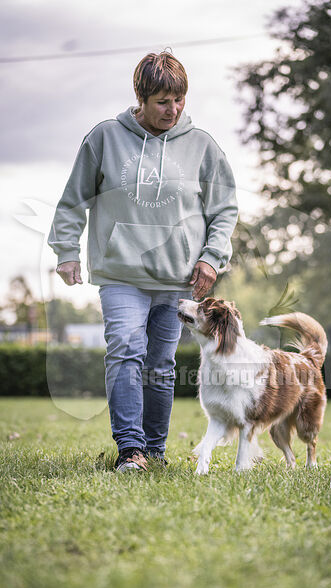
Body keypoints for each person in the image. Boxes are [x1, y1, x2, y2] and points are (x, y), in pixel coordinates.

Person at [47, 51, 238, 472]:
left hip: (177, 278)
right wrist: (66, 250)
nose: (173, 110)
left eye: (179, 100)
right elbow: (73, 199)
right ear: (141, 97)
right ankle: (130, 449)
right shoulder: (104, 137)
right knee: (125, 352)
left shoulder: (202, 145)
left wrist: (211, 258)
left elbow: (224, 208)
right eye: (163, 101)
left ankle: (154, 449)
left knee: (160, 367)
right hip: (121, 273)